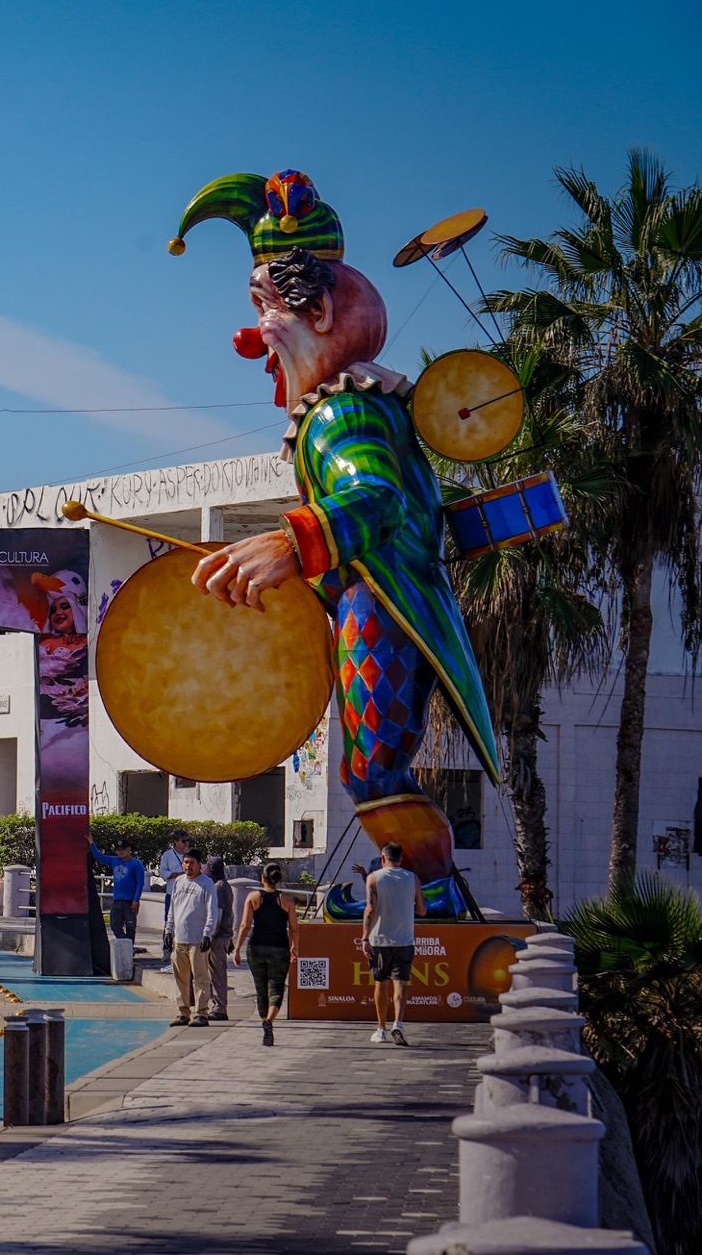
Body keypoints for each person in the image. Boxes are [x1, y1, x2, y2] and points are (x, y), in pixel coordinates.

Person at [174, 170, 501, 914]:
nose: (251, 336)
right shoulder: (356, 403)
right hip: (369, 601)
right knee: (368, 764)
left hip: (379, 606)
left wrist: (294, 544)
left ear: (318, 308)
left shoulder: (342, 414)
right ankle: (426, 891)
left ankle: (435, 893)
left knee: (374, 764)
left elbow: (376, 496)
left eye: (263, 311)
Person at [361, 840, 425, 1045]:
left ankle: (381, 1028)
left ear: (382, 858)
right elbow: (422, 910)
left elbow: (370, 909)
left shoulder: (373, 878)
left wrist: (364, 937)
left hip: (380, 938)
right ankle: (398, 1022)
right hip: (404, 939)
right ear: (401, 858)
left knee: (381, 983)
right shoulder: (412, 878)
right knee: (401, 982)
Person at [233, 861, 299, 1046]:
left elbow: (245, 925)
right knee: (276, 988)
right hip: (280, 947)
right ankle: (270, 1020)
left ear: (263, 878)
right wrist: (295, 947)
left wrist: (237, 948)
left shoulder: (254, 897)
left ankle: (264, 1023)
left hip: (256, 947)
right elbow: (294, 929)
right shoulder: (286, 900)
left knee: (260, 989)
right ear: (278, 880)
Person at [164, 848, 219, 1027]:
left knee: (200, 978)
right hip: (179, 939)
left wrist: (207, 934)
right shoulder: (178, 882)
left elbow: (212, 911)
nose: (188, 866)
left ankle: (201, 1013)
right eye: (186, 862)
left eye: (192, 863)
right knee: (180, 978)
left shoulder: (206, 883)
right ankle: (183, 1012)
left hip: (198, 939)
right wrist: (168, 930)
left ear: (199, 864)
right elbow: (172, 908)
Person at [89, 838, 146, 940]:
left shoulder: (136, 864)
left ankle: (129, 948)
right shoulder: (114, 860)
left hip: (130, 901)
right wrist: (91, 843)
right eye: (118, 849)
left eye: (123, 849)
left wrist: (136, 900)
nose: (121, 852)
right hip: (117, 900)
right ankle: (125, 943)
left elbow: (140, 883)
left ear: (129, 849)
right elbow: (99, 857)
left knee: (130, 927)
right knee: (115, 925)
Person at [205, 856, 234, 1021]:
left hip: (217, 937)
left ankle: (219, 1008)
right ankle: (218, 1006)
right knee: (217, 972)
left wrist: (209, 935)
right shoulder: (226, 886)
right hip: (224, 935)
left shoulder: (217, 888)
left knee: (217, 973)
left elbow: (217, 915)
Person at [158, 831, 192, 959]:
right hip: (172, 893)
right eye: (183, 841)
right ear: (176, 842)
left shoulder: (190, 855)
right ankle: (167, 949)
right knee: (169, 921)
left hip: (187, 893)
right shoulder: (168, 855)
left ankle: (182, 950)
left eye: (187, 841)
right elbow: (163, 872)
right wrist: (178, 875)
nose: (186, 844)